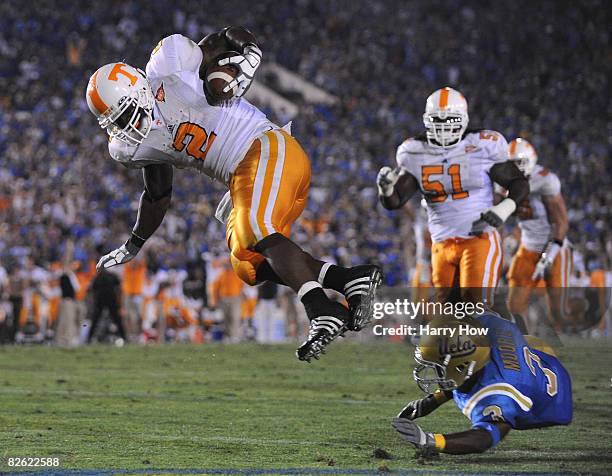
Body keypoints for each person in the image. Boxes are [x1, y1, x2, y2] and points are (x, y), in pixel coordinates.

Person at [85, 27, 381, 361]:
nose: (128, 124)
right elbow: (156, 194)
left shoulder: (169, 64)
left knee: (253, 227)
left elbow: (223, 39)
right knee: (246, 263)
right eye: (117, 121)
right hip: (243, 179)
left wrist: (249, 51)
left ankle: (320, 309)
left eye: (126, 112)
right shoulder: (131, 147)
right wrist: (134, 243)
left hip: (267, 147)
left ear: (139, 86)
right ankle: (349, 279)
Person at [377, 87, 529, 304]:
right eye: (438, 121)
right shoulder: (414, 152)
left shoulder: (482, 145)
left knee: (477, 309)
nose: (444, 128)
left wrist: (504, 208)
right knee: (449, 316)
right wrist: (386, 189)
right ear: (426, 120)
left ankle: (512, 338)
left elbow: (519, 183)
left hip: (479, 239)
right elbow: (395, 201)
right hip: (442, 244)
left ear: (464, 120)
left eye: (450, 121)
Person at [392, 313, 572, 455]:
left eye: (437, 367)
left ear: (462, 365)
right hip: (537, 355)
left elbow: (483, 437)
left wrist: (430, 440)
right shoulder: (486, 329)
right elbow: (464, 369)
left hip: (551, 401)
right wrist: (433, 400)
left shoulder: (499, 394)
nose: (432, 372)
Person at [504, 138, 572, 331]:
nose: (516, 170)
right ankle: (526, 343)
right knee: (514, 306)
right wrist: (511, 238)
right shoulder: (502, 183)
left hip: (555, 249)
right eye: (511, 165)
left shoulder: (544, 179)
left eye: (520, 163)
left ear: (531, 161)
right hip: (527, 248)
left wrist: (548, 257)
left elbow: (562, 223)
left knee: (558, 312)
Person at [87, 269, 126, 343]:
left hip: (108, 301)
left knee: (116, 320)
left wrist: (120, 304)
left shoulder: (102, 277)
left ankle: (89, 338)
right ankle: (124, 337)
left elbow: (93, 291)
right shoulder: (105, 276)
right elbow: (119, 290)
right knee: (116, 320)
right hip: (106, 301)